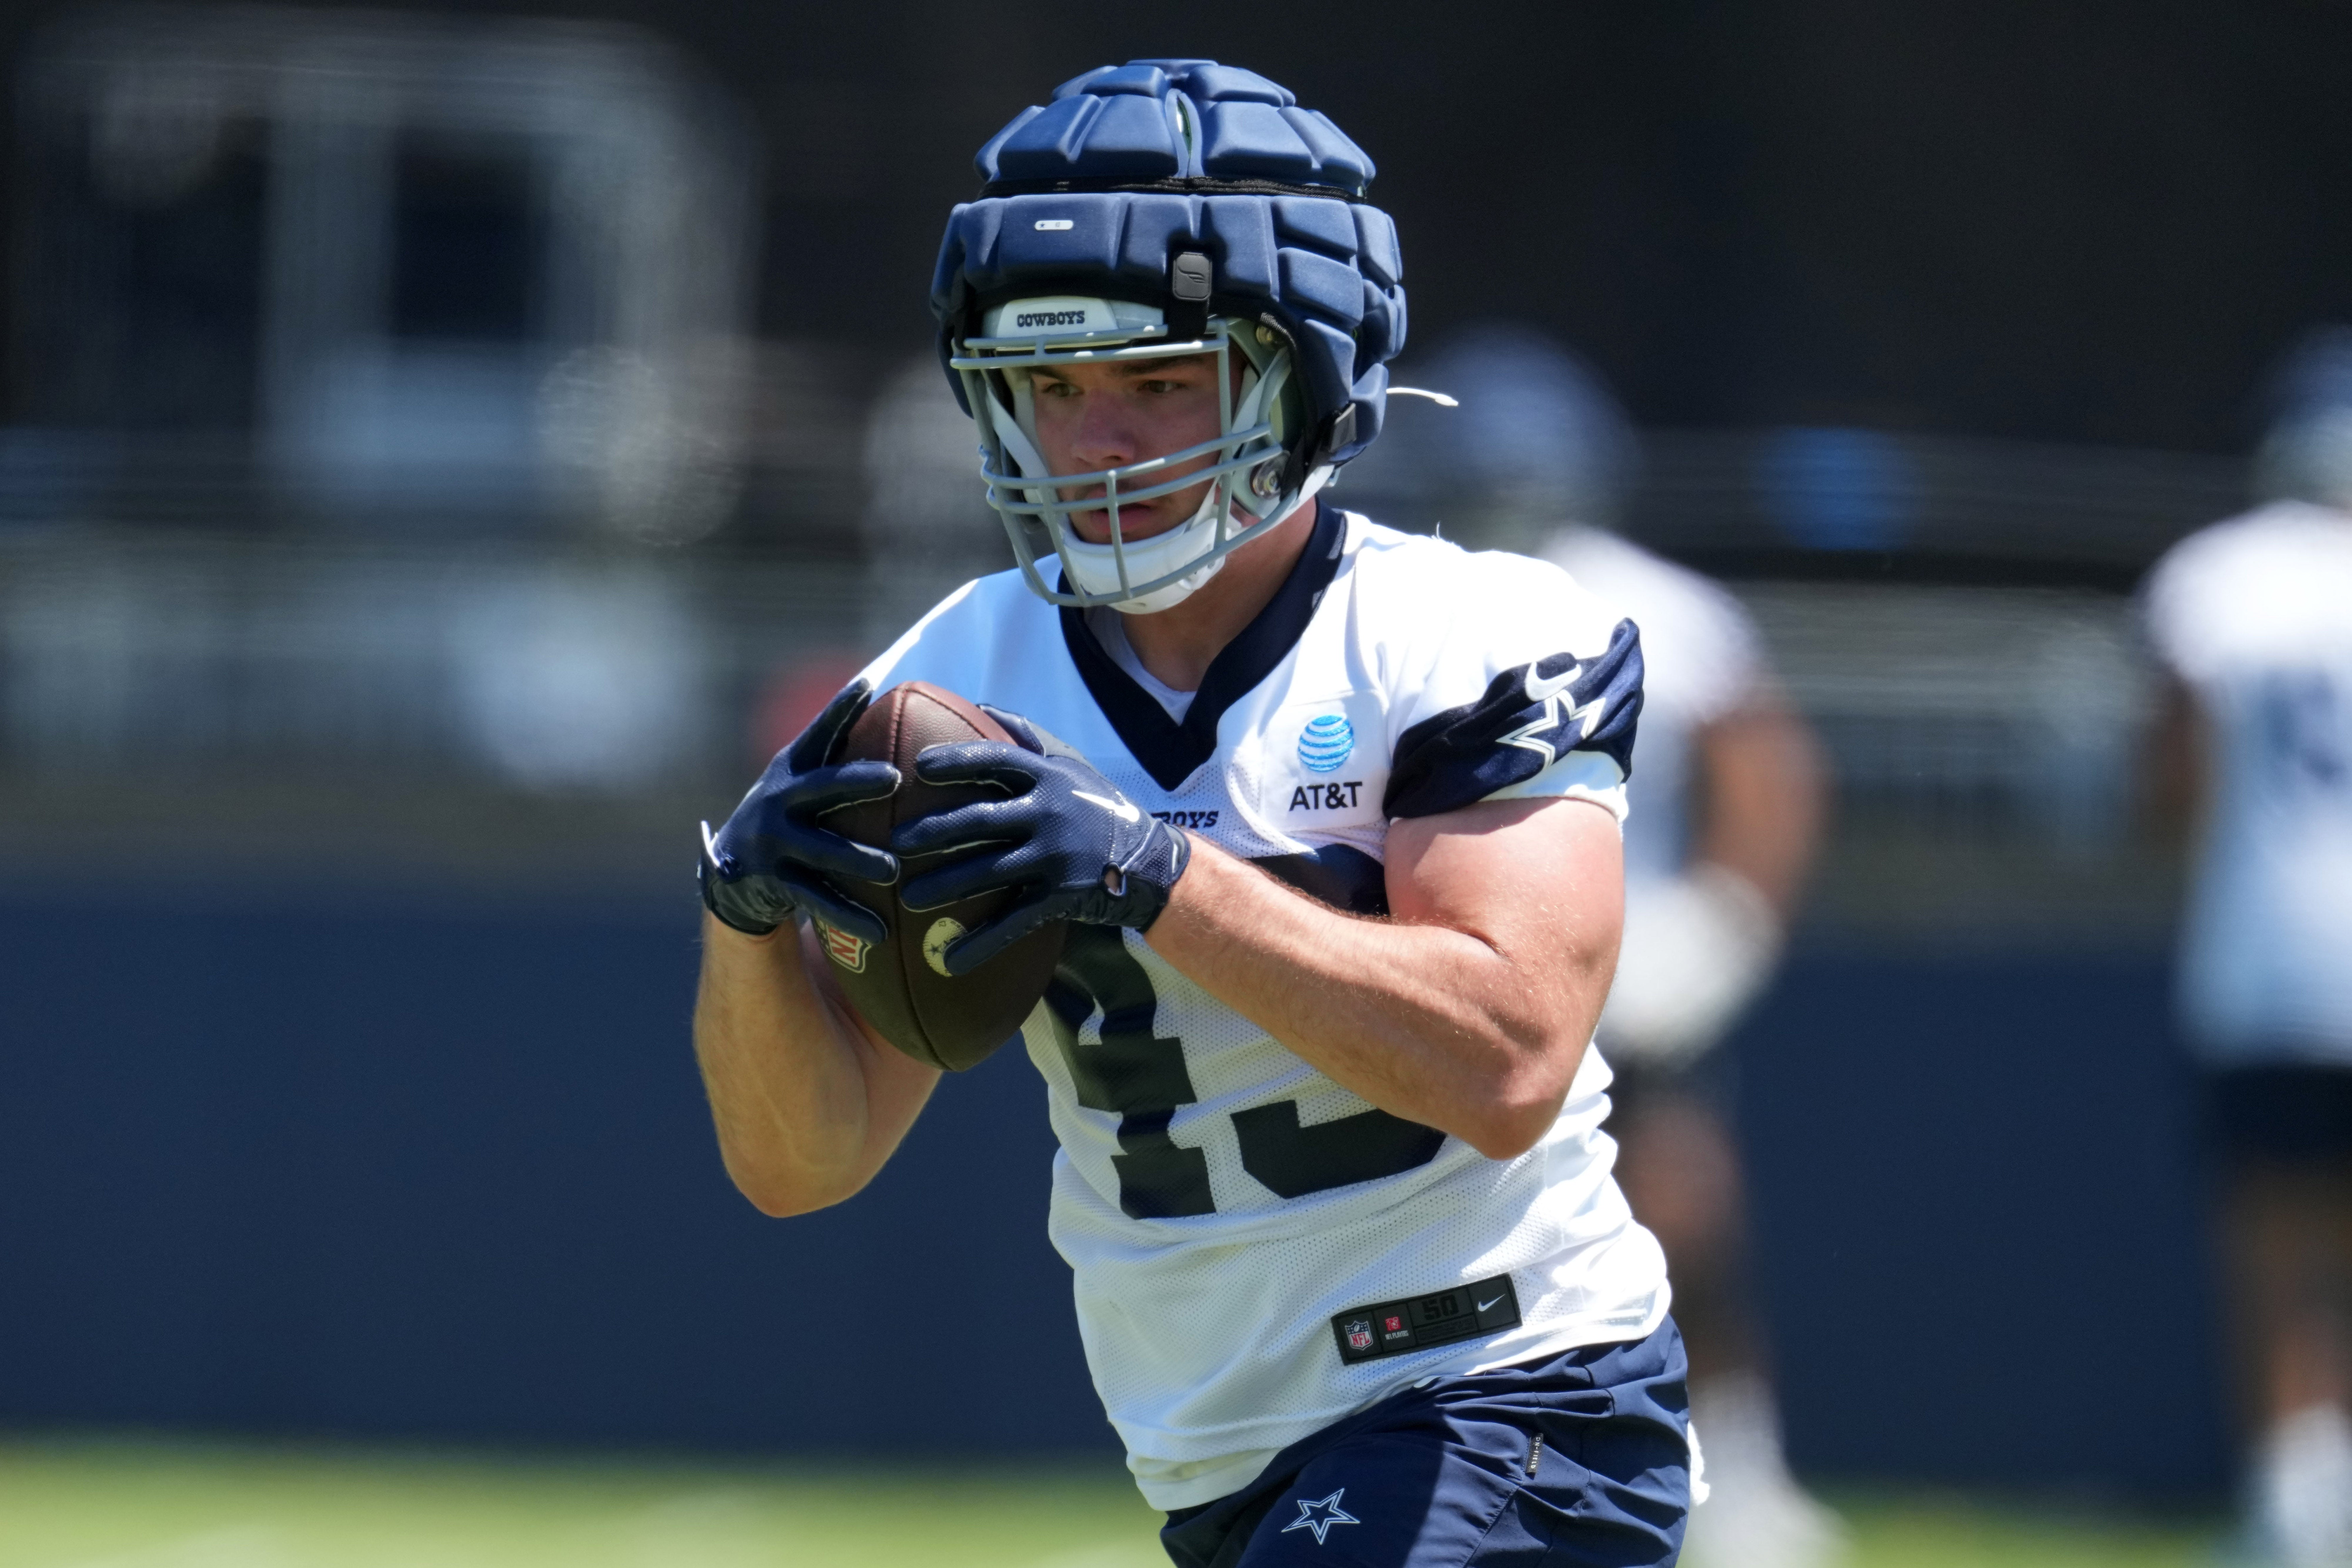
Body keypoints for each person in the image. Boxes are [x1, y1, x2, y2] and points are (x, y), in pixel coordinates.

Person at [692, 60, 1694, 1566]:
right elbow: (801, 1161)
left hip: (1505, 1388)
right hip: (1219, 1456)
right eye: (1050, 385)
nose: (1096, 441)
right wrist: (744, 923)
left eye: (1159, 379)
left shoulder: (1468, 635)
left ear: (1301, 368)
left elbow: (1508, 1062)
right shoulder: (952, 677)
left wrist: (1155, 868)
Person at [1353, 326, 1836, 1568]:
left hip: (1620, 972)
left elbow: (1769, 770)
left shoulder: (1651, 603)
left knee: (1678, 1213)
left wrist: (1723, 926)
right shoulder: (1407, 597)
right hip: (1467, 963)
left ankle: (1734, 1461)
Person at [2141, 327, 2352, 1568]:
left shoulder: (2220, 575)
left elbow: (2175, 777)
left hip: (2270, 957)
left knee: (2277, 1239)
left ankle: (2294, 1506)